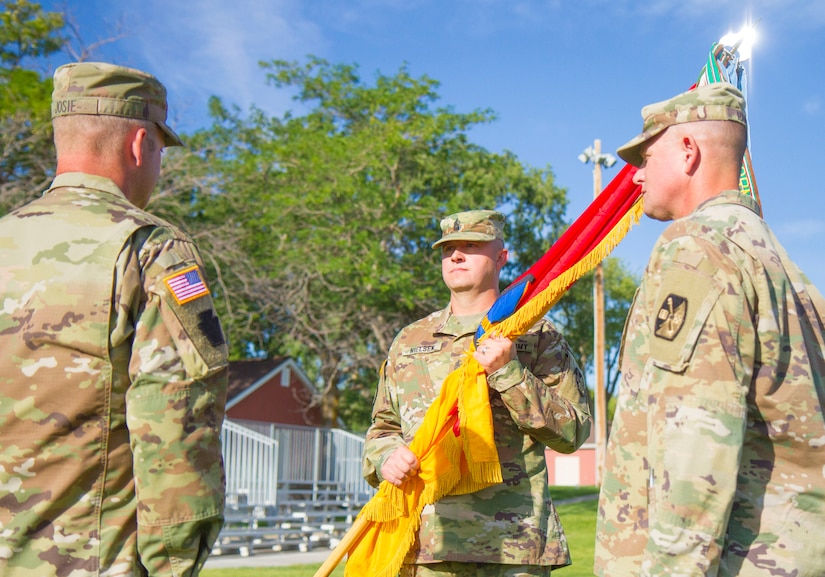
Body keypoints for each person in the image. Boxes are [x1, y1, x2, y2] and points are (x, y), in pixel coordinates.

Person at [0, 62, 229, 576]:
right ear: (139, 143)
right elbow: (177, 421)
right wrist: (175, 563)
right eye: (160, 152)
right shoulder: (149, 249)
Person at [595, 82, 825, 576]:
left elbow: (696, 438)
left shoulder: (697, 246)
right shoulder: (782, 265)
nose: (634, 176)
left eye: (645, 156)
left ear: (687, 150)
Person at [363, 210, 592, 577]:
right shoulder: (410, 340)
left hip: (513, 547)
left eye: (471, 245)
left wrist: (509, 372)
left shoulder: (536, 335)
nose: (456, 256)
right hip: (426, 546)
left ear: (501, 257)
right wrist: (387, 456)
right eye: (448, 248)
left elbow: (573, 432)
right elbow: (382, 429)